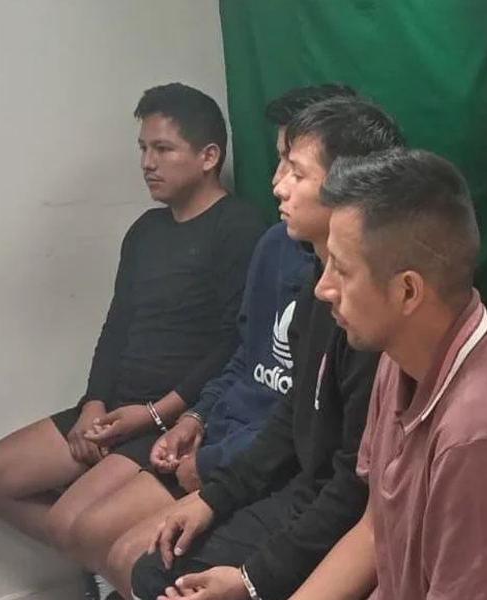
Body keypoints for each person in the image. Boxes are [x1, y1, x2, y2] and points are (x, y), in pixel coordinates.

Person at [62, 83, 359, 599]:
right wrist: (193, 419)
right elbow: (247, 355)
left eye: (294, 169)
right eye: (279, 163)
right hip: (222, 435)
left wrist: (188, 443)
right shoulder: (278, 249)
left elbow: (335, 466)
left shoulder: (344, 295)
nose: (276, 185)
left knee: (135, 557)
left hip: (268, 467)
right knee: (91, 536)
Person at [284, 148, 487, 600]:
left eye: (343, 269)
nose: (323, 287)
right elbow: (375, 531)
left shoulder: (479, 436)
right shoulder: (401, 356)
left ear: (407, 291)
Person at [0, 83, 266, 550]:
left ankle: (105, 558)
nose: (147, 163)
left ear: (208, 157)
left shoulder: (239, 227)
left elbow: (235, 345)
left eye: (163, 149)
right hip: (117, 406)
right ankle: (98, 559)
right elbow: (117, 326)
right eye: (143, 148)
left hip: (173, 417)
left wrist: (154, 414)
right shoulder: (146, 230)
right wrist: (93, 404)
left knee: (70, 522)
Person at [130, 97, 405, 600]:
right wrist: (214, 497)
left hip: (335, 510)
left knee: (167, 580)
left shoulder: (374, 319)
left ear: (350, 188)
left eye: (296, 172)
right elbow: (294, 412)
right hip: (306, 491)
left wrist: (253, 580)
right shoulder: (316, 286)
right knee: (153, 569)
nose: (277, 186)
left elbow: (354, 489)